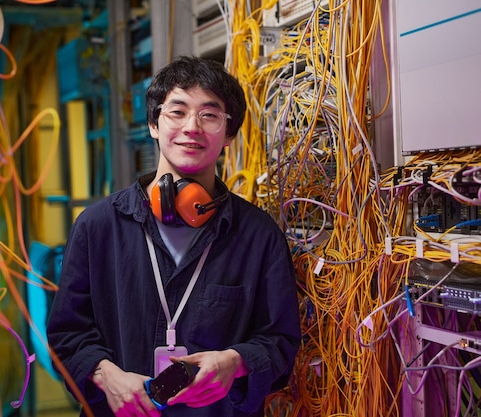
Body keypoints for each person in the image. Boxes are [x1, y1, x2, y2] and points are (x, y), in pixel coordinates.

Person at [46, 55, 301, 417]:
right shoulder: (98, 227)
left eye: (209, 115)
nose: (192, 127)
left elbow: (281, 341)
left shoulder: (259, 236)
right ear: (154, 124)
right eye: (177, 112)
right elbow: (66, 336)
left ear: (229, 134)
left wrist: (236, 362)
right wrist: (105, 375)